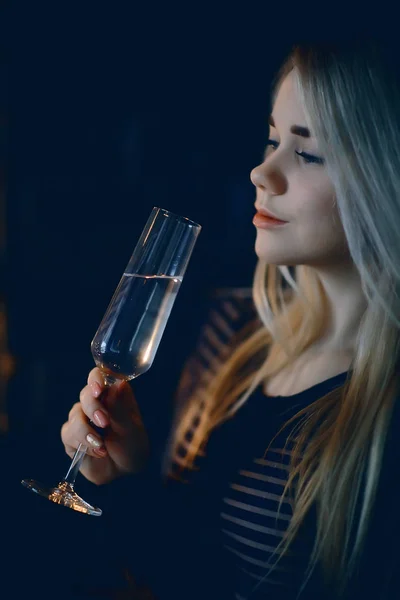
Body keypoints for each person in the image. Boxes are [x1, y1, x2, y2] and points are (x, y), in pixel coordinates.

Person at [61, 37, 400, 599]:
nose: (261, 172)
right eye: (272, 140)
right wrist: (121, 478)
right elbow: (171, 566)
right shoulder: (232, 330)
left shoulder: (382, 413)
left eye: (307, 153)